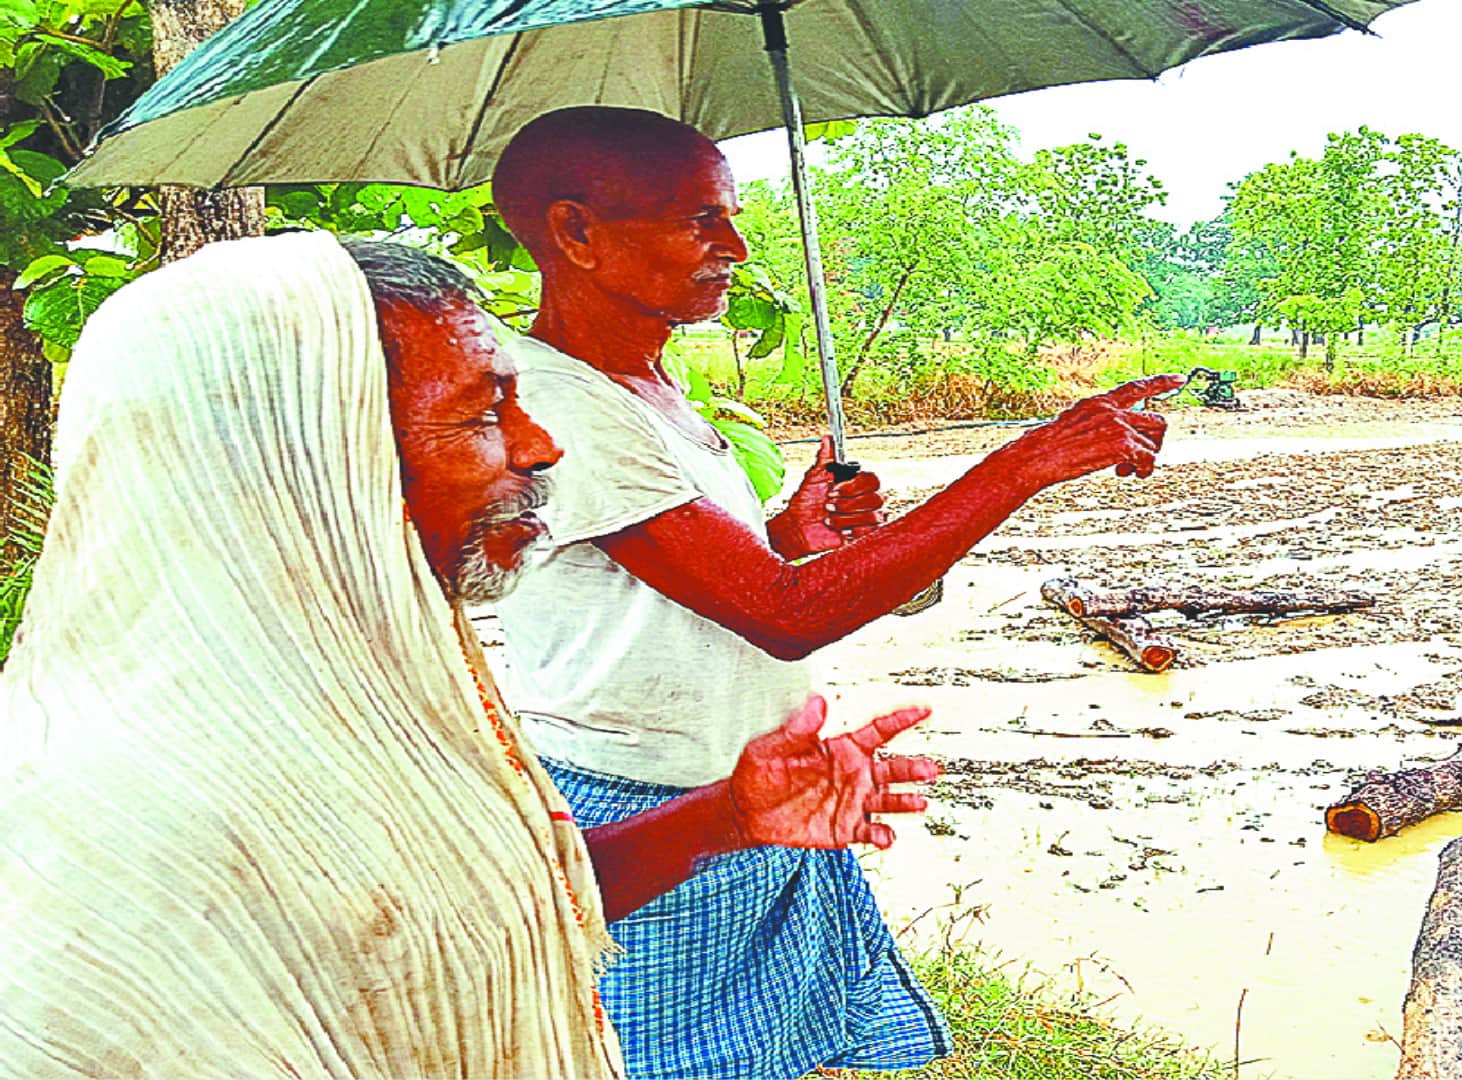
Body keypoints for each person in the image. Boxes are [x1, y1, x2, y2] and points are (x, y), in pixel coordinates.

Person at [0, 232, 939, 1077]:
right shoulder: (126, 801)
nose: (534, 447)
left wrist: (727, 816)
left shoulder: (360, 674)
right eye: (483, 413)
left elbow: (481, 913)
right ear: (315, 451)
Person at [487, 105, 1183, 1078]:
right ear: (574, 233)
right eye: (699, 222)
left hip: (742, 789)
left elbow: (689, 586)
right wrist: (1023, 462)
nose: (733, 246)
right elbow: (785, 613)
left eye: (729, 217)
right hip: (645, 813)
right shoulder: (562, 407)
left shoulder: (644, 389)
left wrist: (786, 538)